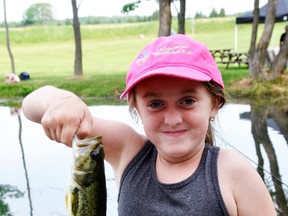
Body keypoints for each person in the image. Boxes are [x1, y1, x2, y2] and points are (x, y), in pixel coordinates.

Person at [22, 34, 276, 216]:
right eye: (155, 104)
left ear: (214, 104)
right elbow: (31, 105)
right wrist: (61, 100)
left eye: (187, 101)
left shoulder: (235, 173)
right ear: (136, 109)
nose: (172, 118)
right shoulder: (128, 151)